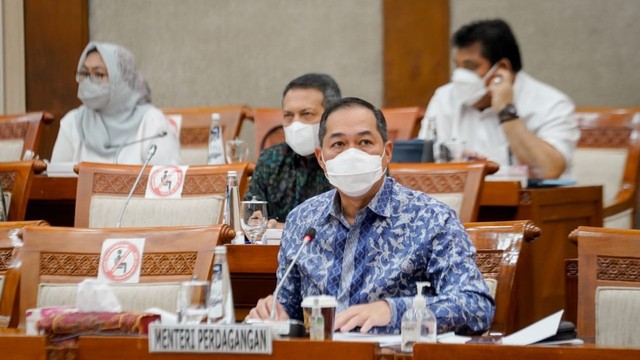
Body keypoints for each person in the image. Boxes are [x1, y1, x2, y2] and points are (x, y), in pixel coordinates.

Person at [248, 97, 494, 335]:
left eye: (365, 142)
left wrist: (393, 311)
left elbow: (475, 306)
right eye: (338, 144)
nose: (352, 154)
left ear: (387, 153)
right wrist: (273, 314)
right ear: (321, 158)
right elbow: (287, 311)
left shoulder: (432, 218)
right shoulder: (302, 220)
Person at [418, 19, 579, 179]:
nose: (460, 75)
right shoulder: (445, 98)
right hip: (455, 201)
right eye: (457, 66)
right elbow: (421, 162)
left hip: (527, 202)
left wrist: (506, 110)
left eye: (470, 66)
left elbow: (548, 170)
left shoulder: (552, 104)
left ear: (502, 69)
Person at [51, 42, 180, 165]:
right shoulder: (73, 122)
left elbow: (167, 180)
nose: (88, 81)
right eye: (84, 73)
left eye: (99, 74)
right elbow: (54, 180)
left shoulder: (151, 122)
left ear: (122, 80)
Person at [244, 73, 341, 226]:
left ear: (333, 116)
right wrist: (254, 221)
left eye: (306, 114)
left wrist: (285, 229)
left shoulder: (348, 160)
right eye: (288, 115)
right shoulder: (270, 159)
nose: (296, 124)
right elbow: (250, 212)